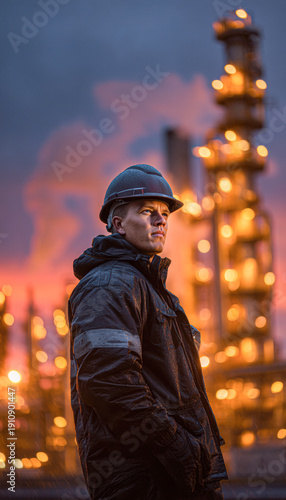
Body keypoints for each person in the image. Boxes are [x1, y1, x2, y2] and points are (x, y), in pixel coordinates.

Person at [68, 164, 228, 500]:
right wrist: (176, 445)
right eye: (147, 211)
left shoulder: (147, 285)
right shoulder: (109, 285)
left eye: (164, 213)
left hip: (171, 473)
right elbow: (107, 380)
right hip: (144, 476)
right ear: (118, 224)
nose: (161, 220)